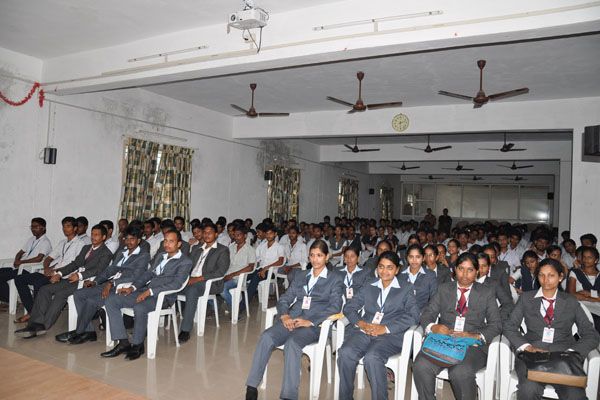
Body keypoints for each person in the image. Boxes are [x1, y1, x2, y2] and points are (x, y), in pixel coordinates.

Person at [244, 240, 344, 400]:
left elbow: (335, 307)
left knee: (292, 344)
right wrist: (284, 315)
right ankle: (252, 385)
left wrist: (309, 321)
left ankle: (289, 396)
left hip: (312, 326)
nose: (315, 259)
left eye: (319, 255)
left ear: (327, 257)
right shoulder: (301, 275)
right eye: (312, 255)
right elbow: (285, 298)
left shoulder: (335, 279)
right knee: (266, 337)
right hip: (291, 319)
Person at [503, 258, 600, 400]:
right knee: (528, 390)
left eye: (551, 275)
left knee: (575, 395)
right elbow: (509, 326)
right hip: (532, 355)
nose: (545, 280)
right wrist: (527, 347)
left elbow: (591, 334)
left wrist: (572, 353)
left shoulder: (570, 301)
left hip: (563, 357)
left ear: (560, 277)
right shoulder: (526, 298)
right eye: (541, 275)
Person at [413, 252, 502, 400]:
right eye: (461, 268)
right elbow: (427, 314)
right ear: (454, 270)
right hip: (444, 340)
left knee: (460, 372)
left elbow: (496, 325)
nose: (465, 274)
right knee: (420, 365)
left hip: (471, 345)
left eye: (470, 270)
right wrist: (434, 327)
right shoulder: (444, 289)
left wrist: (474, 335)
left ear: (477, 272)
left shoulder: (486, 292)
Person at [337, 251, 420, 400]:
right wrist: (360, 323)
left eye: (389, 267)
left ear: (397, 270)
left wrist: (385, 328)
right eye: (381, 267)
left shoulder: (406, 288)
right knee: (345, 352)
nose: (384, 271)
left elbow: (414, 315)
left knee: (372, 357)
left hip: (390, 335)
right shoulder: (369, 284)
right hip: (366, 330)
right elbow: (349, 307)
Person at [102, 230, 192, 360]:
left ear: (179, 244)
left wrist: (149, 292)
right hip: (146, 291)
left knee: (140, 307)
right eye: (165, 241)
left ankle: (138, 345)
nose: (167, 244)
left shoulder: (185, 261)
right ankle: (123, 342)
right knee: (112, 300)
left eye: (171, 241)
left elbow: (177, 284)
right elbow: (148, 274)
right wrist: (132, 287)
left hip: (164, 297)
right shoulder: (161, 256)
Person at [15, 224, 113, 338]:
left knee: (60, 294)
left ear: (104, 237)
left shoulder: (106, 253)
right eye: (92, 234)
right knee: (44, 289)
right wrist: (59, 273)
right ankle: (34, 323)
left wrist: (79, 275)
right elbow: (75, 264)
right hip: (74, 279)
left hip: (88, 283)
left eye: (96, 235)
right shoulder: (86, 248)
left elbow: (98, 270)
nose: (93, 237)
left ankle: (44, 326)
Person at [58, 226, 149, 344]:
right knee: (79, 294)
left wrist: (111, 283)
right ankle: (88, 331)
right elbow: (109, 270)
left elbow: (135, 276)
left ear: (138, 240)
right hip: (109, 285)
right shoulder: (122, 253)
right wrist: (95, 281)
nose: (129, 242)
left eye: (133, 239)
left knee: (91, 301)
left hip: (123, 288)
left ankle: (79, 332)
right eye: (127, 239)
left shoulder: (144, 255)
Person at [13, 216, 84, 323]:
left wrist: (55, 271)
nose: (65, 229)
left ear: (75, 228)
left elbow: (74, 265)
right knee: (19, 279)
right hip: (51, 272)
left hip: (63, 275)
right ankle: (32, 311)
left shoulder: (80, 244)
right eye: (64, 226)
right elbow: (49, 258)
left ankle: (35, 315)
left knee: (39, 283)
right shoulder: (62, 242)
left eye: (68, 226)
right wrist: (46, 268)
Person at [178, 222, 230, 343]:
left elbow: (220, 272)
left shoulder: (222, 250)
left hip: (209, 283)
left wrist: (198, 278)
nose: (206, 235)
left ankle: (185, 329)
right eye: (205, 232)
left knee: (192, 290)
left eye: (210, 233)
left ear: (216, 234)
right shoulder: (196, 248)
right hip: (191, 280)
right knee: (170, 286)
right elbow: (187, 265)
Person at [0, 217, 52, 304]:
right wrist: (17, 260)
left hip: (28, 270)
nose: (33, 229)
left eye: (36, 226)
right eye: (32, 227)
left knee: (2, 277)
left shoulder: (45, 242)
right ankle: (7, 298)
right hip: (18, 267)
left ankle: (8, 299)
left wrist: (21, 262)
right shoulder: (31, 239)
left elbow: (39, 258)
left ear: (43, 228)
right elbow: (20, 252)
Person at [246, 224, 286, 304]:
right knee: (244, 276)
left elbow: (281, 261)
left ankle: (244, 302)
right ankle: (240, 298)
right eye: (267, 234)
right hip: (260, 269)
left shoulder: (279, 247)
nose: (268, 236)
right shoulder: (262, 246)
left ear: (275, 234)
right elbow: (256, 259)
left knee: (256, 277)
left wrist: (266, 268)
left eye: (270, 233)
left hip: (271, 272)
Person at [221, 225, 255, 313]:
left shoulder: (250, 249)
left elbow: (251, 267)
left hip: (239, 278)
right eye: (234, 235)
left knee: (222, 288)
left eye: (239, 235)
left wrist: (232, 275)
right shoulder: (231, 247)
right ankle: (215, 306)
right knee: (209, 284)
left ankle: (236, 310)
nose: (236, 237)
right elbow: (226, 263)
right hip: (227, 275)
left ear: (245, 236)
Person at [567, 246, 600, 331]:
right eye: (584, 257)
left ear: (596, 260)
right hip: (582, 306)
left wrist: (590, 294)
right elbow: (571, 294)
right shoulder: (575, 272)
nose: (586, 260)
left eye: (589, 257)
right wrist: (592, 298)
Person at [476, 252, 515, 321]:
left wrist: (498, 317)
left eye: (484, 266)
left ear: (488, 268)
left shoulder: (494, 283)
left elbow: (508, 303)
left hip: (491, 320)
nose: (481, 269)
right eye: (478, 266)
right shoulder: (466, 282)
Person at [399, 244, 437, 311]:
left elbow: (434, 299)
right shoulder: (400, 273)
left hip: (422, 314)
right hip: (401, 314)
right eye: (411, 257)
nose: (414, 260)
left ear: (423, 258)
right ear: (407, 258)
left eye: (418, 257)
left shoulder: (430, 275)